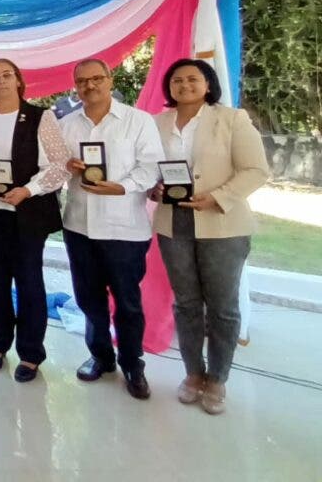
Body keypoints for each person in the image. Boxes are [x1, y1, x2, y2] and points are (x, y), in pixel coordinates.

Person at [152, 59, 268, 415]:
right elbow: (145, 167)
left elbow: (256, 170)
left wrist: (218, 197)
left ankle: (217, 378)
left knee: (222, 307)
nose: (183, 84)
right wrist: (152, 189)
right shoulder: (157, 122)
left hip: (221, 223)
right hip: (174, 223)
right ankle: (193, 374)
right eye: (176, 79)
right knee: (186, 303)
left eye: (192, 78)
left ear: (208, 84)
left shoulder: (232, 119)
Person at [59, 59, 164, 399]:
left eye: (96, 79)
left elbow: (151, 169)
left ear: (109, 80)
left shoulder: (137, 121)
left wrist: (121, 187)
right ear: (75, 86)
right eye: (82, 81)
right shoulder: (66, 125)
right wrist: (67, 166)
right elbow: (54, 169)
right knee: (89, 298)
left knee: (128, 301)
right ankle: (100, 356)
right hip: (79, 225)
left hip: (124, 228)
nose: (89, 86)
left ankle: (132, 363)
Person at [0, 58, 70, 383]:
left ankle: (31, 353)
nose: (1, 81)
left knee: (29, 283)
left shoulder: (41, 116)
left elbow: (61, 164)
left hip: (27, 213)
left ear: (19, 81)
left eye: (7, 75)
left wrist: (28, 189)